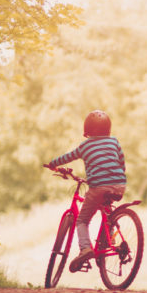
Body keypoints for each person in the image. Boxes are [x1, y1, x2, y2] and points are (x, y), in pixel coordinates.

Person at [44, 110, 127, 272]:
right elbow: (121, 163)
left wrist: (53, 164)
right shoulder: (114, 142)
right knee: (106, 208)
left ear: (87, 129)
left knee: (82, 220)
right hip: (119, 185)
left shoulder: (85, 146)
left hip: (98, 187)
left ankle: (85, 248)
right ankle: (108, 239)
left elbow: (68, 157)